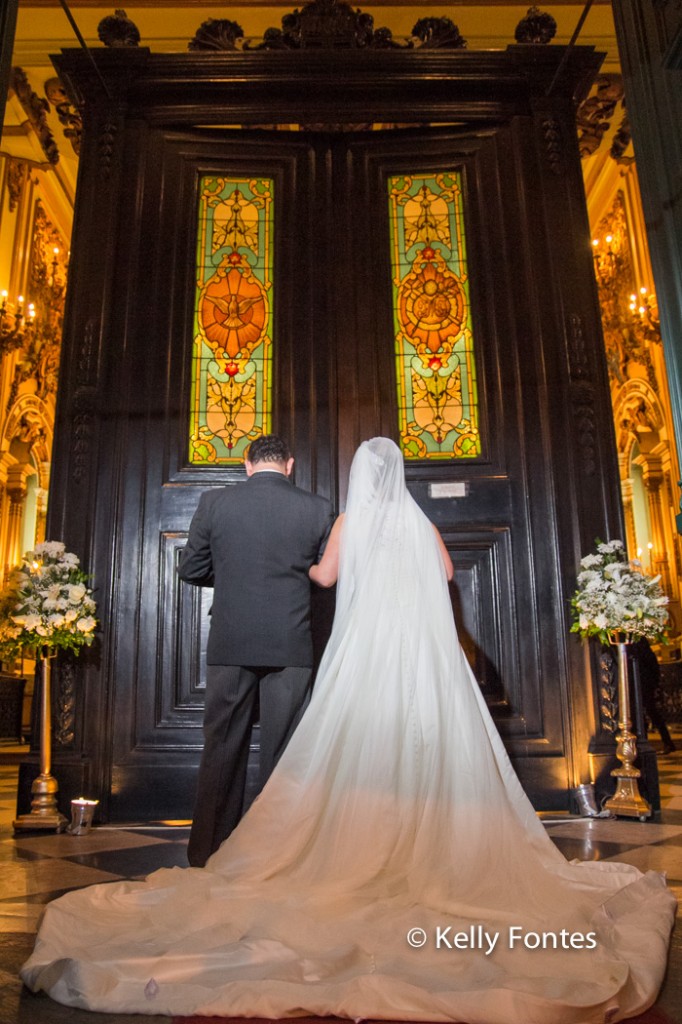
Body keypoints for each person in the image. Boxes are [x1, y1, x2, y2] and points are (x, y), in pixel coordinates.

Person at [21, 439, 676, 1022]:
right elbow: (444, 575)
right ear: (294, 465)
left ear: (250, 462)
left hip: (291, 646)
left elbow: (300, 574)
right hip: (389, 654)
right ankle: (386, 848)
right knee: (315, 755)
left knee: (250, 750)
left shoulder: (314, 516)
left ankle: (218, 854)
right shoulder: (359, 515)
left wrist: (271, 572)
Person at [177, 433, 334, 866]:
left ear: (247, 464)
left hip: (231, 639)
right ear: (290, 465)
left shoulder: (215, 502)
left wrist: (231, 578)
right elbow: (326, 576)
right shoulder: (317, 508)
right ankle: (274, 856)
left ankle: (208, 853)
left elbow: (190, 569)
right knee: (283, 753)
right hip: (291, 641)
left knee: (222, 748)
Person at [630, 637, 677, 755]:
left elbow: (652, 668)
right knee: (649, 714)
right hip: (645, 684)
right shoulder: (645, 651)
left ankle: (648, 742)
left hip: (643, 684)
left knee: (648, 713)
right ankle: (660, 742)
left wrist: (653, 684)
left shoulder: (639, 651)